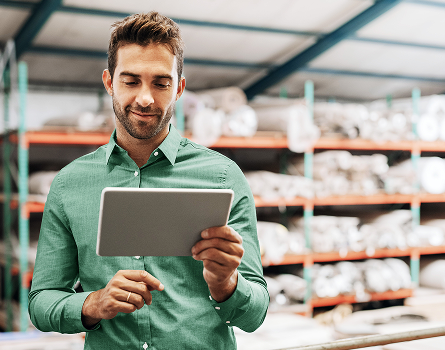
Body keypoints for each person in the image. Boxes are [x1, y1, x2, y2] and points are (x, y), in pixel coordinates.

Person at [28, 12, 269, 349]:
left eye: (160, 82)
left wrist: (226, 283)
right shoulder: (70, 184)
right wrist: (91, 303)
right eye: (130, 81)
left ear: (179, 88)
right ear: (109, 82)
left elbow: (255, 314)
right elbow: (41, 302)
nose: (145, 98)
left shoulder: (223, 177)